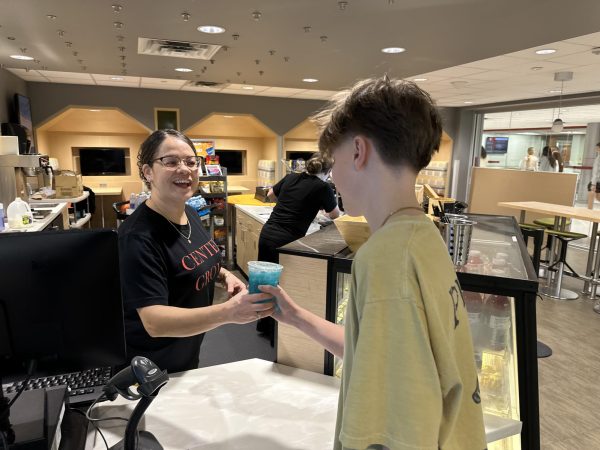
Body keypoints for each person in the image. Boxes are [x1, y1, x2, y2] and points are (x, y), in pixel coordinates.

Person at [256, 77, 486, 449]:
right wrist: (297, 316)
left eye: (334, 162)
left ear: (359, 151)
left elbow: (396, 421)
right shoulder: (423, 238)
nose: (333, 178)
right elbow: (377, 355)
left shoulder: (384, 258)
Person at [118, 129, 275, 373]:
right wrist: (228, 312)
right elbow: (154, 321)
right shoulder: (137, 237)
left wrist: (223, 274)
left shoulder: (189, 212)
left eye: (191, 162)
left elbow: (189, 257)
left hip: (187, 351)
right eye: (170, 161)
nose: (184, 168)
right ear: (148, 171)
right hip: (150, 366)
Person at [256, 152, 341, 342]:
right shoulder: (323, 188)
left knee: (265, 283)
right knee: (281, 287)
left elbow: (270, 195)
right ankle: (277, 334)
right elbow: (335, 215)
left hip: (268, 233)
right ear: (328, 171)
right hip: (286, 241)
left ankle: (262, 324)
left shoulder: (291, 177)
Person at [588, 142, 600, 209]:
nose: (596, 149)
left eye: (597, 147)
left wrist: (593, 183)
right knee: (597, 197)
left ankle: (589, 212)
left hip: (597, 181)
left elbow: (596, 171)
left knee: (591, 194)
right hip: (597, 180)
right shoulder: (598, 156)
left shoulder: (599, 157)